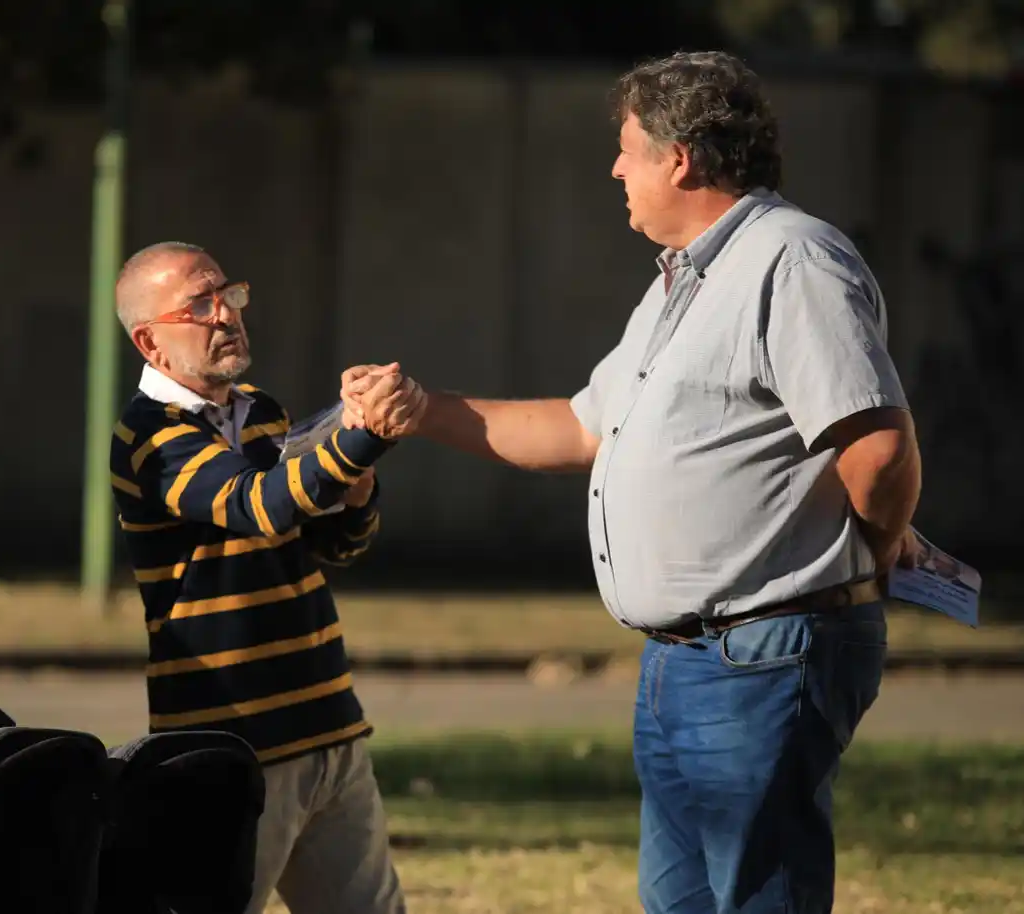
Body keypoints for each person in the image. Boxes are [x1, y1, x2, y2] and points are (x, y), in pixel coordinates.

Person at [342, 51, 922, 914]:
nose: (615, 168)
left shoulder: (791, 261)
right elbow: (584, 428)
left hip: (765, 652)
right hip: (681, 661)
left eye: (626, 149)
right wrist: (424, 410)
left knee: (760, 895)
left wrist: (869, 561)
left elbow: (875, 446)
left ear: (678, 159)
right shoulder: (683, 282)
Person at [107, 241, 422, 914]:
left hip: (328, 725)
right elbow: (257, 505)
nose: (226, 314)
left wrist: (358, 486)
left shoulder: (263, 411)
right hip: (230, 746)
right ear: (150, 341)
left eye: (228, 294)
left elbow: (331, 545)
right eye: (199, 305)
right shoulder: (148, 438)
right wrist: (363, 435)